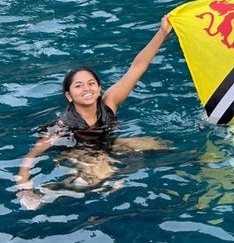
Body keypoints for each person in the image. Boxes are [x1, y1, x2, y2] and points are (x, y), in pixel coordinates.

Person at [15, 15, 173, 210]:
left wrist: (162, 32)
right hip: (78, 153)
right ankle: (53, 192)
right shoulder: (62, 128)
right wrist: (24, 188)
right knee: (102, 172)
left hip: (106, 145)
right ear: (69, 95)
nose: (87, 89)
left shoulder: (109, 103)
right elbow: (30, 157)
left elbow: (137, 67)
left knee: (159, 144)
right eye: (78, 86)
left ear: (99, 88)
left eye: (91, 84)